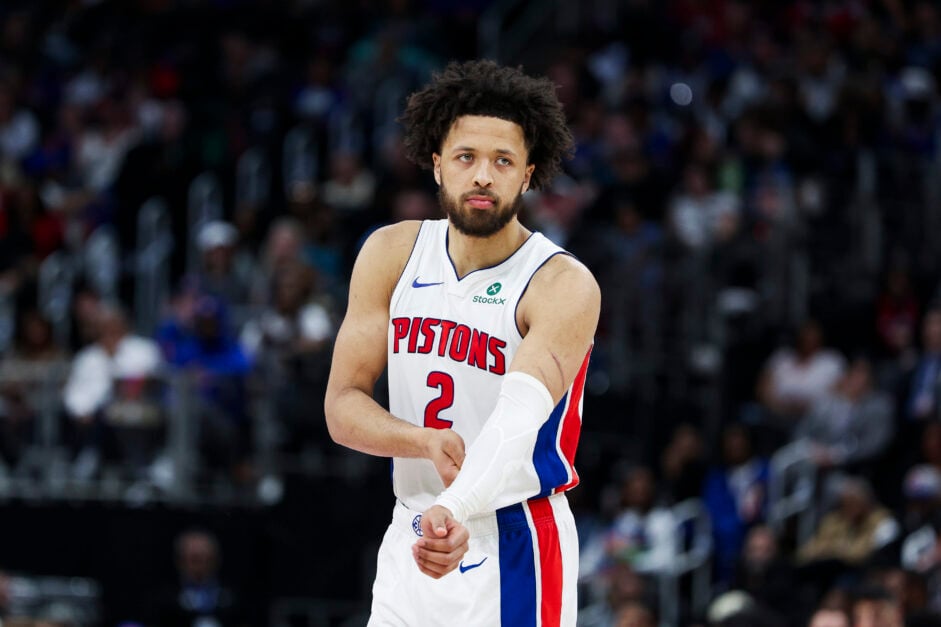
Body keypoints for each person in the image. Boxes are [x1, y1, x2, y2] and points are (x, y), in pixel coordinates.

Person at [324, 59, 600, 626]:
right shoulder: (390, 253)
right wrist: (421, 441)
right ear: (437, 165)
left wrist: (456, 505)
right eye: (466, 157)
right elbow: (342, 407)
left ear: (528, 175)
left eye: (503, 161)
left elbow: (517, 420)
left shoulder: (560, 283)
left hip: (513, 541)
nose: (483, 176)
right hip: (412, 529)